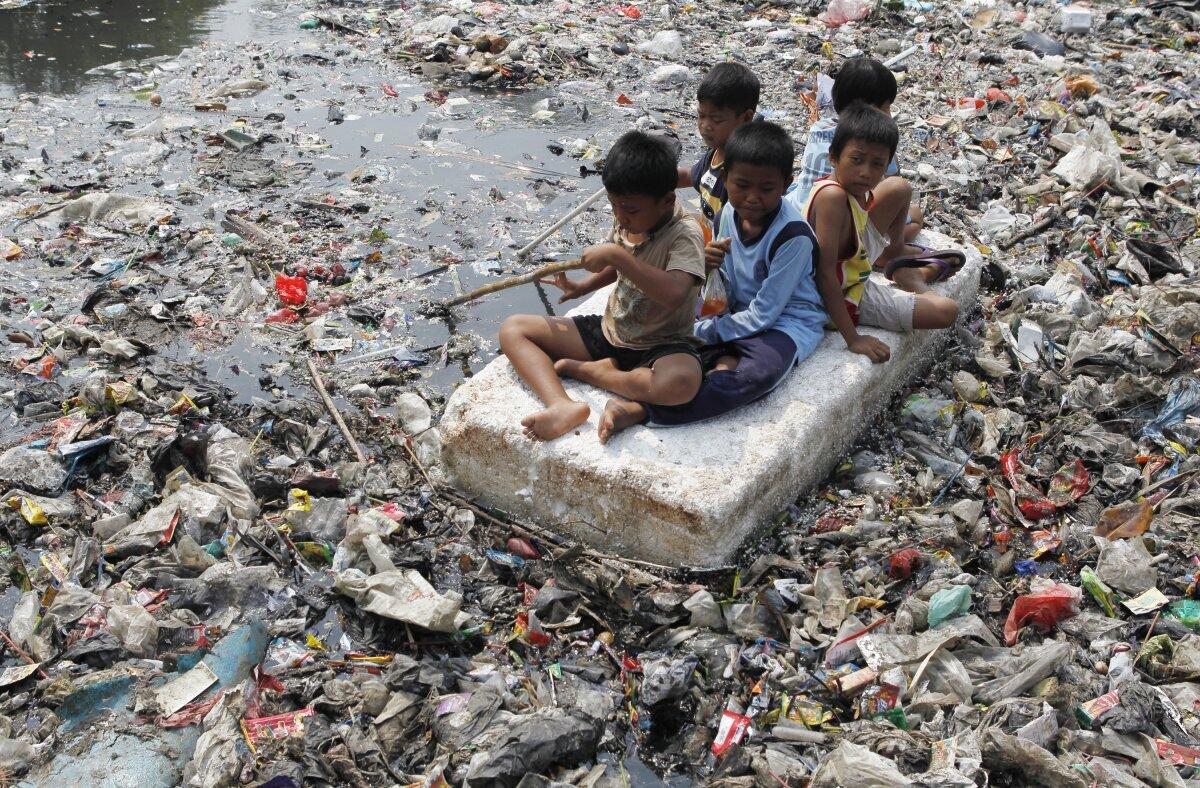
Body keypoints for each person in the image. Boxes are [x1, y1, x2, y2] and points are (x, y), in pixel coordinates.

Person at [572, 121, 825, 437]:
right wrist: (708, 269)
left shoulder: (792, 237)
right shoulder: (727, 214)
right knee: (678, 344)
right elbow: (725, 286)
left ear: (786, 184)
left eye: (766, 188)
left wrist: (707, 329)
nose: (752, 198)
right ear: (725, 179)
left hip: (785, 324)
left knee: (756, 377)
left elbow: (766, 313)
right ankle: (677, 372)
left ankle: (640, 409)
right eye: (742, 185)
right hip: (735, 313)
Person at [499, 131, 706, 442]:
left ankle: (595, 373)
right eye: (614, 206)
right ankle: (562, 405)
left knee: (682, 384)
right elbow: (618, 267)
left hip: (661, 345)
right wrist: (583, 286)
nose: (621, 218)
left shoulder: (685, 233)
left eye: (630, 210)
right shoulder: (629, 217)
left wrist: (616, 256)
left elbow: (675, 293)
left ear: (666, 201)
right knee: (513, 329)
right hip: (612, 332)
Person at [798, 103, 961, 365]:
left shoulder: (848, 189)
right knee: (946, 311)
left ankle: (894, 257)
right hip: (842, 294)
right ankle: (915, 278)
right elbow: (824, 274)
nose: (866, 172)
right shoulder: (832, 196)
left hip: (855, 263)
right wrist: (853, 338)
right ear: (833, 157)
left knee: (899, 187)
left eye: (877, 164)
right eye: (856, 160)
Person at [793, 56, 925, 245]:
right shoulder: (876, 142)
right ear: (869, 110)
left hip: (803, 213)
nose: (889, 115)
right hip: (844, 232)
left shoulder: (819, 127)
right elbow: (893, 179)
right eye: (886, 108)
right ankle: (888, 253)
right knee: (913, 212)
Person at [676, 62, 761, 236]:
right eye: (701, 115)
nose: (705, 126)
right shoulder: (716, 152)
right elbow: (691, 176)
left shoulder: (743, 171)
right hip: (708, 240)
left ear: (746, 118)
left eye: (716, 119)